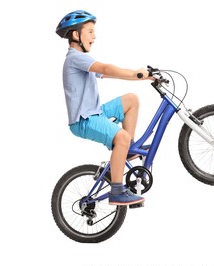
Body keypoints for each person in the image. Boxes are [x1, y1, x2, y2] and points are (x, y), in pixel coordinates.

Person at [56, 10, 148, 206]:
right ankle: (116, 191)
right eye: (90, 31)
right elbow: (106, 68)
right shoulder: (75, 58)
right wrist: (134, 75)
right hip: (84, 120)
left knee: (131, 100)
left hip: (95, 112)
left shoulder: (83, 61)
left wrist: (142, 76)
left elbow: (106, 74)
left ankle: (128, 149)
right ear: (75, 35)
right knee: (120, 136)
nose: (94, 36)